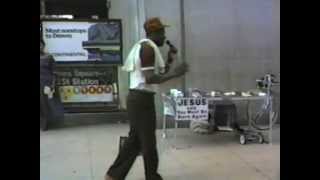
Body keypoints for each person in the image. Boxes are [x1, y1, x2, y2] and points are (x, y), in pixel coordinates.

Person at [105, 17, 188, 180]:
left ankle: (114, 175)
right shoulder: (147, 49)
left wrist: (170, 58)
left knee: (138, 141)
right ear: (154, 33)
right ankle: (149, 176)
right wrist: (176, 73)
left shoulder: (145, 47)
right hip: (141, 100)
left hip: (140, 99)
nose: (164, 37)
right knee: (146, 142)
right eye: (162, 33)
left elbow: (158, 74)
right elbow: (150, 78)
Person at [40, 39, 64, 131]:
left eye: (41, 45)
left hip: (46, 85)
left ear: (43, 46)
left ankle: (45, 124)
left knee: (46, 105)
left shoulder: (49, 57)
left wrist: (53, 84)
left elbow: (55, 72)